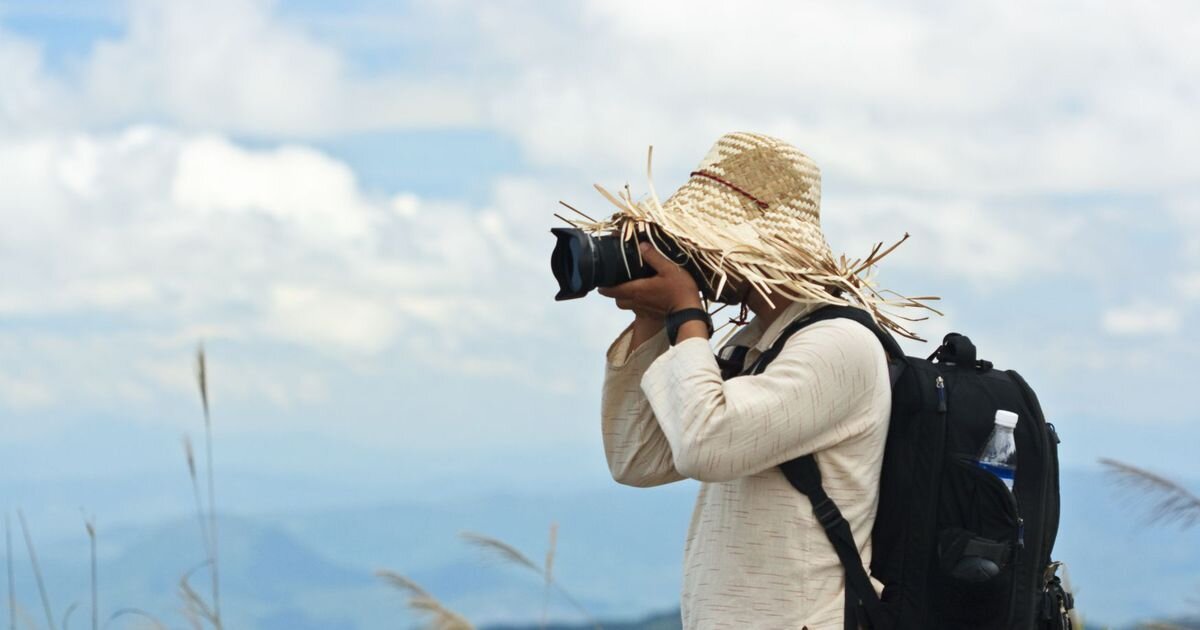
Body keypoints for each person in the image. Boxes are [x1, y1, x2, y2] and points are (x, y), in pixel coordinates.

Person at [587, 132, 937, 629]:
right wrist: (651, 322)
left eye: (700, 238)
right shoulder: (754, 344)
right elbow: (636, 458)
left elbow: (706, 445)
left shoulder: (839, 344)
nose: (690, 252)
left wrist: (686, 315)